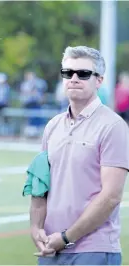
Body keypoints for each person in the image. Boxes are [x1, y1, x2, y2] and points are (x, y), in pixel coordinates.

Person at [30, 46, 129, 265]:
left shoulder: (113, 126)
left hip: (94, 249)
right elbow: (40, 185)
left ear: (99, 80)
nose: (74, 78)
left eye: (83, 74)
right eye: (68, 73)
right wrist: (36, 227)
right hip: (51, 248)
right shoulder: (52, 126)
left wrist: (66, 237)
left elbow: (111, 196)